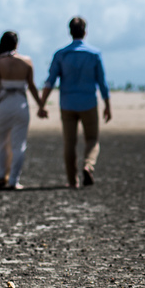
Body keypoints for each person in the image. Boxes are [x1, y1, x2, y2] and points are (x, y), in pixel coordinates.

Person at [40, 16, 111, 188]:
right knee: (92, 139)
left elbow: (50, 81)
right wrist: (108, 105)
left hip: (67, 103)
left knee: (69, 143)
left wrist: (42, 104)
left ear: (70, 32)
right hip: (88, 102)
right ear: (85, 32)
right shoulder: (94, 54)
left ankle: (72, 181)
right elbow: (102, 82)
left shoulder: (61, 54)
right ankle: (88, 165)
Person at [0, 31, 44, 189]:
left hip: (4, 103)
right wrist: (41, 105)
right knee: (19, 145)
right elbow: (32, 86)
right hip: (20, 103)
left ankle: (1, 176)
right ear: (16, 44)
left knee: (0, 141)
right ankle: (13, 180)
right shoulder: (27, 61)